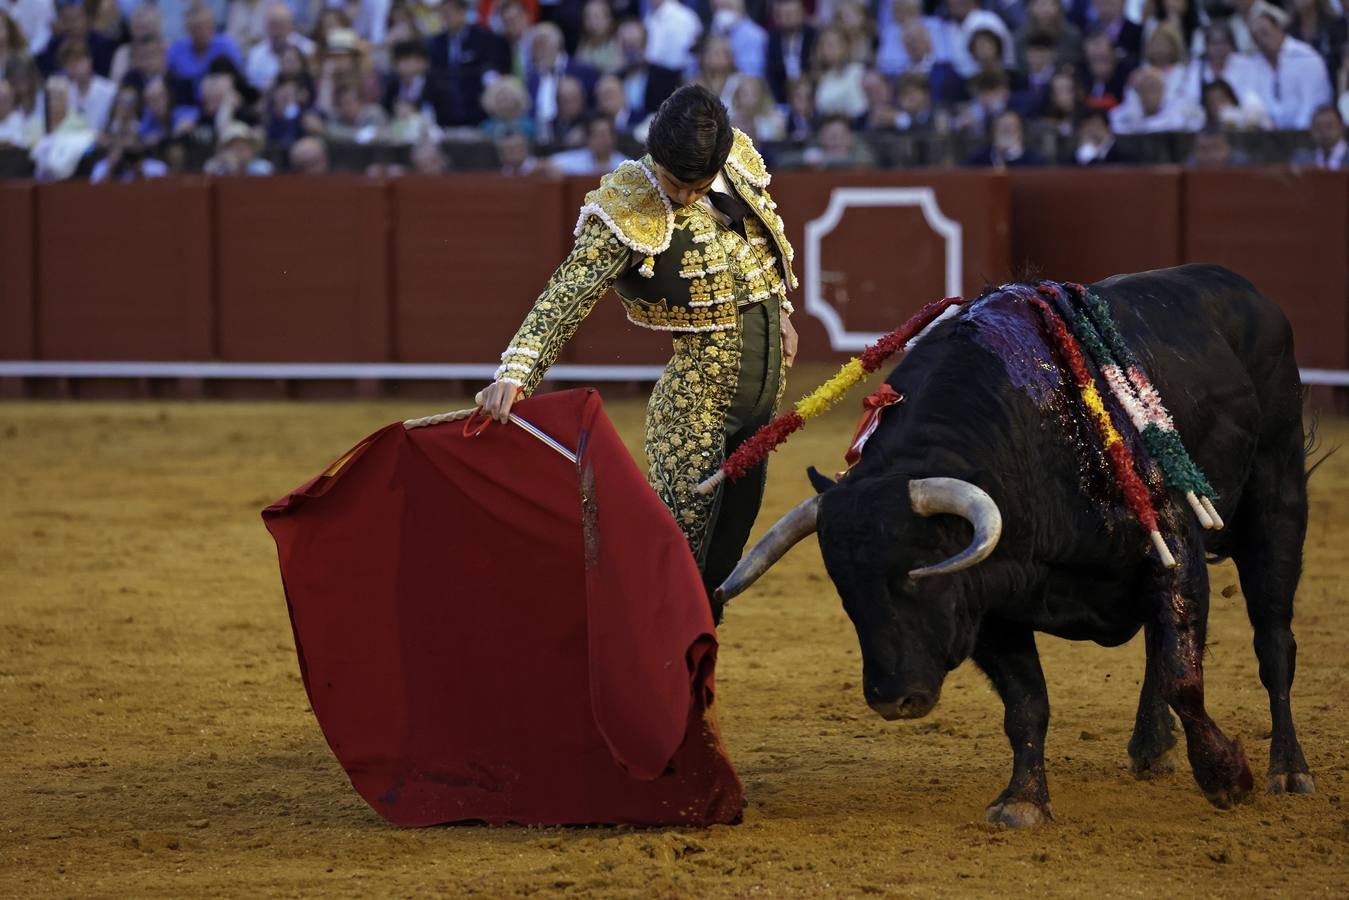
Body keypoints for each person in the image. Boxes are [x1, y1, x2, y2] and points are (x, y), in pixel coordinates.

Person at [478, 84, 800, 622]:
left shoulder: (736, 164)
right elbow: (568, 293)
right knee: (675, 561)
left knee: (719, 563)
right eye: (676, 184)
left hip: (760, 411)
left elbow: (757, 251)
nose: (686, 198)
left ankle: (688, 679)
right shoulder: (630, 201)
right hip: (695, 412)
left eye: (696, 186)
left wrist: (780, 309)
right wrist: (516, 372)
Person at [1247, 1, 1333, 130]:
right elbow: (1255, 104)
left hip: (1306, 133)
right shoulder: (1255, 64)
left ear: (1279, 29)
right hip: (1268, 138)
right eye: (1255, 37)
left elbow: (1312, 104)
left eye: (1265, 33)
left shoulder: (1306, 58)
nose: (1261, 41)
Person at [1292, 103, 1347, 168]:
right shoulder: (1301, 160)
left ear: (1342, 127)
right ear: (1311, 131)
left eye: (1329, 126)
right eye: (1318, 127)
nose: (1324, 131)